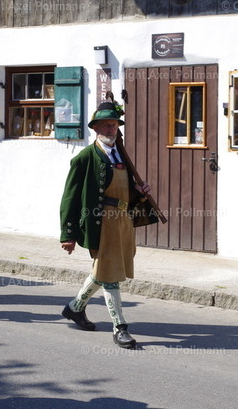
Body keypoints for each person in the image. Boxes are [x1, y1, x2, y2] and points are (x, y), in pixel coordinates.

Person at [59, 101, 157, 349]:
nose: (111, 129)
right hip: (101, 223)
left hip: (122, 222)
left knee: (104, 270)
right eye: (105, 125)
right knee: (111, 274)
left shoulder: (121, 155)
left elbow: (125, 191)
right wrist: (68, 234)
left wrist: (140, 192)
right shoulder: (84, 158)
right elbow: (70, 197)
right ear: (95, 128)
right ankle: (120, 327)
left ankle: (75, 308)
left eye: (114, 124)